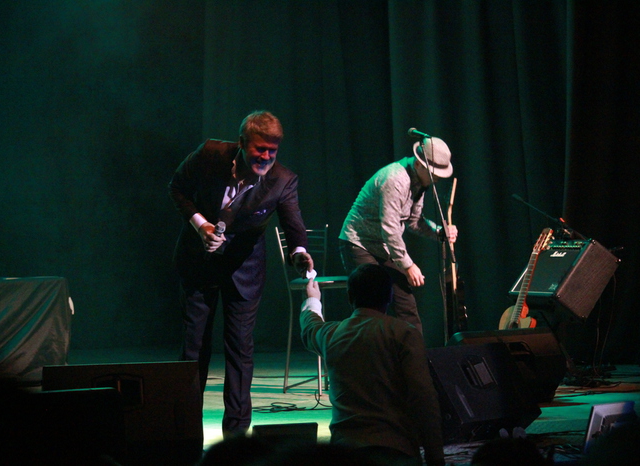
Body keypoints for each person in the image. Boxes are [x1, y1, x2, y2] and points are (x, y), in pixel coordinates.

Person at [168, 110, 314, 437]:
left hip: (244, 269)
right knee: (194, 348)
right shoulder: (210, 154)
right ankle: (184, 433)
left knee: (240, 349)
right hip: (199, 262)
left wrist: (299, 253)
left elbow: (294, 225)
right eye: (260, 149)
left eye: (272, 151)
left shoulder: (283, 180)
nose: (266, 157)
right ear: (242, 143)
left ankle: (236, 439)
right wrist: (201, 225)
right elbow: (177, 188)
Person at [299, 263, 446, 466]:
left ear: (349, 297)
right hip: (396, 450)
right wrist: (435, 456)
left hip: (346, 453)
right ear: (390, 296)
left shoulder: (332, 334)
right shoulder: (404, 333)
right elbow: (423, 397)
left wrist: (313, 299)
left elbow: (310, 326)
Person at [339, 137, 458, 335]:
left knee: (405, 302)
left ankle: (414, 351)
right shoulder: (395, 180)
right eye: (434, 174)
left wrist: (439, 232)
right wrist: (408, 265)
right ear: (419, 164)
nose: (437, 179)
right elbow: (390, 228)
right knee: (371, 304)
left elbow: (414, 221)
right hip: (359, 243)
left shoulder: (419, 181)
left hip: (384, 247)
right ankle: (371, 352)